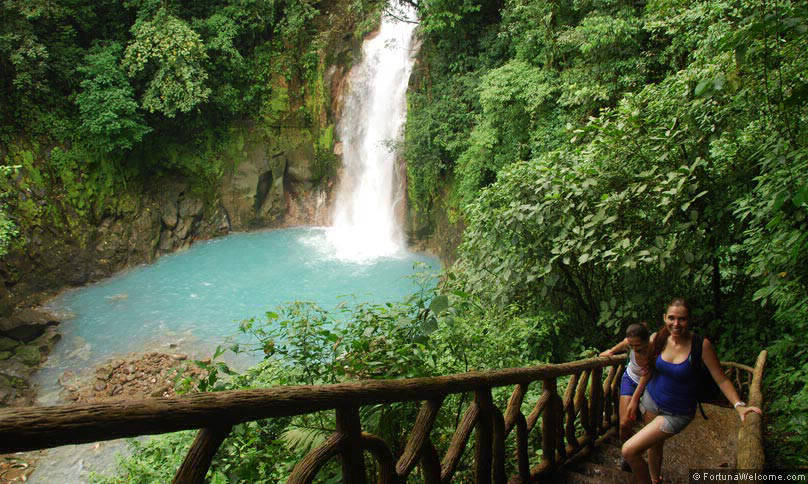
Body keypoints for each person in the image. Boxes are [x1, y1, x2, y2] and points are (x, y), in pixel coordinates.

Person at [621, 298, 762, 484]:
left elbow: (721, 378)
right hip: (651, 401)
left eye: (682, 319)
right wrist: (634, 399)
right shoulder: (659, 338)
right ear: (664, 318)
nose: (676, 324)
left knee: (628, 450)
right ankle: (655, 479)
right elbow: (648, 370)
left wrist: (739, 405)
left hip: (677, 413)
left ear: (689, 320)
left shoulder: (700, 346)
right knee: (654, 445)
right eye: (671, 318)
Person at [600, 323, 653, 445]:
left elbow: (646, 376)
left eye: (638, 346)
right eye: (631, 345)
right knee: (624, 423)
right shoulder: (629, 343)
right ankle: (627, 455)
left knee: (649, 425)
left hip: (649, 383)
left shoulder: (653, 350)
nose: (634, 349)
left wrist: (634, 400)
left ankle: (638, 450)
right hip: (630, 378)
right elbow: (624, 343)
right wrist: (611, 351)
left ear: (646, 340)